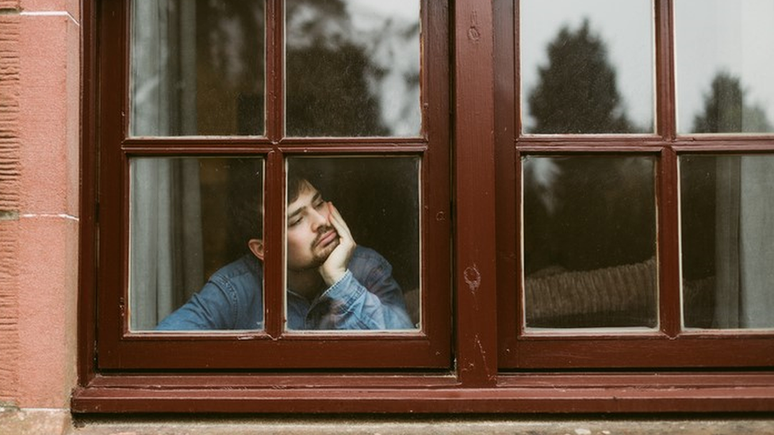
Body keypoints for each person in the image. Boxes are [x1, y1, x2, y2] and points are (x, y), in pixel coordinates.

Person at [156, 174, 414, 331]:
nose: (321, 221)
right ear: (262, 248)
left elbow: (406, 350)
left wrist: (340, 281)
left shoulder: (367, 267)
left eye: (319, 203)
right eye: (295, 221)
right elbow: (158, 351)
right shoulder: (234, 290)